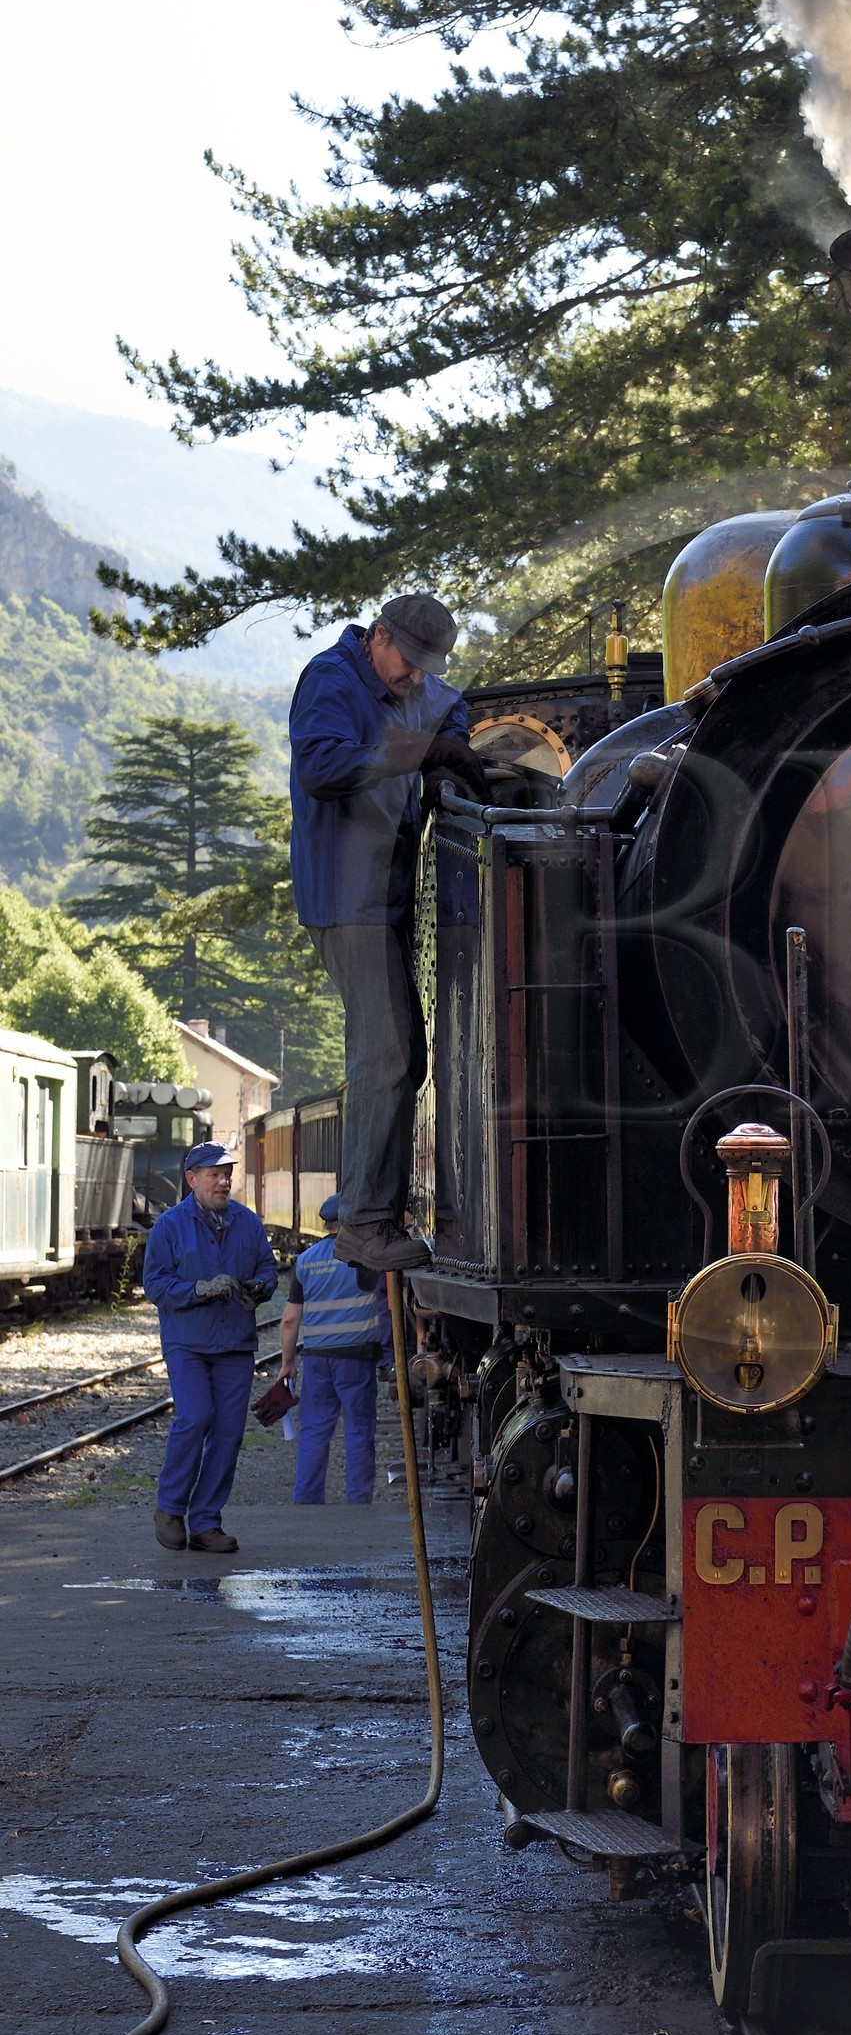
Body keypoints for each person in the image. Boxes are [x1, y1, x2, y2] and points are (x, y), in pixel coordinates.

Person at [289, 593, 488, 1275]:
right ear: (378, 636)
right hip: (348, 894)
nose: (413, 679)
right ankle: (366, 1223)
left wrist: (446, 752)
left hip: (386, 895)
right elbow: (322, 766)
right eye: (408, 662)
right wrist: (420, 751)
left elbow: (447, 709)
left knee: (408, 1054)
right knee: (385, 1055)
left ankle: (378, 1211)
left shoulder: (414, 682)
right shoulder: (331, 680)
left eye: (424, 667)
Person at [142, 1142, 279, 1554]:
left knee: (228, 1432)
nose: (223, 1182)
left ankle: (205, 1523)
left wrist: (261, 1288)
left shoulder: (247, 1223)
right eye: (214, 1174)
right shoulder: (169, 1226)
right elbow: (155, 1284)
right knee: (196, 1416)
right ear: (192, 1179)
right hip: (188, 1342)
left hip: (234, 1343)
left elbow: (267, 1268)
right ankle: (169, 1508)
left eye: (227, 1174)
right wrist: (197, 1289)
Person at [277, 1192, 393, 1507]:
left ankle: (306, 1500)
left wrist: (288, 1362)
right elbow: (388, 1306)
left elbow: (290, 1319)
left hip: (317, 1360)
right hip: (356, 1358)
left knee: (314, 1431)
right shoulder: (365, 1259)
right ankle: (358, 1502)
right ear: (349, 1222)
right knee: (358, 1431)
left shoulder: (306, 1261)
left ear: (326, 1223)